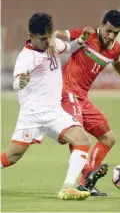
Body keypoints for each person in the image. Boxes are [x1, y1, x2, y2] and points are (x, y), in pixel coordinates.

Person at [0, 12, 97, 200]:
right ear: (32, 36)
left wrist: (82, 40)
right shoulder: (26, 57)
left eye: (49, 37)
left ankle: (68, 188)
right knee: (12, 157)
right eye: (43, 39)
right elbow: (15, 82)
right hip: (32, 115)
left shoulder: (52, 44)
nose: (47, 42)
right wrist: (21, 82)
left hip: (54, 113)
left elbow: (69, 47)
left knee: (82, 140)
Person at [55, 10, 120, 196]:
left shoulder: (116, 48)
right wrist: (48, 39)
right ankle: (81, 178)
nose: (110, 35)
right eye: (108, 30)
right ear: (101, 24)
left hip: (83, 98)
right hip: (67, 93)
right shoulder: (87, 35)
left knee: (108, 138)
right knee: (79, 137)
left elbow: (116, 62)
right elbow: (59, 34)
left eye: (115, 33)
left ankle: (86, 183)